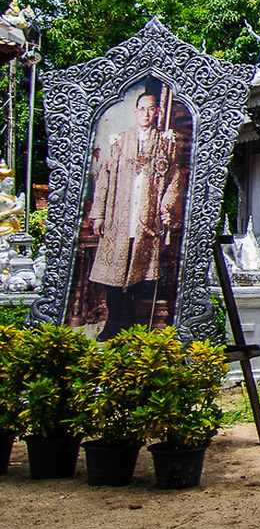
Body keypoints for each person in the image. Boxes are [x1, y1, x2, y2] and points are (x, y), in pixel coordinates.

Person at [86, 86, 187, 339]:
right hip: (119, 217)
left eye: (151, 109)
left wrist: (166, 209)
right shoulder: (120, 141)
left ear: (157, 112)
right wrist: (98, 214)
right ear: (135, 112)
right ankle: (113, 323)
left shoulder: (165, 143)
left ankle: (130, 323)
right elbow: (104, 180)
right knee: (115, 271)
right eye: (142, 109)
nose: (146, 114)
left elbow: (174, 180)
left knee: (140, 274)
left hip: (147, 220)